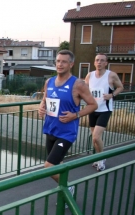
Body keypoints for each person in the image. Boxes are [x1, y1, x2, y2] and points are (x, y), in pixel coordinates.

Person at [38, 50, 97, 198]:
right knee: (59, 166)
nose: (60, 64)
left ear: (71, 64)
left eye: (64, 61)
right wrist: (41, 106)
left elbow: (93, 105)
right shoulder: (49, 82)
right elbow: (45, 98)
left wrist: (75, 115)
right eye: (58, 61)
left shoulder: (78, 84)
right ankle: (64, 192)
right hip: (50, 129)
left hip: (66, 133)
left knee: (48, 167)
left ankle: (68, 188)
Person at [85, 53, 124, 171]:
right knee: (94, 137)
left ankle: (101, 158)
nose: (99, 62)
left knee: (96, 137)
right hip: (93, 109)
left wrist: (112, 95)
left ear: (106, 63)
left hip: (105, 110)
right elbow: (85, 90)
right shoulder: (89, 75)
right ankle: (98, 157)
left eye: (102, 60)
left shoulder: (111, 75)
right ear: (94, 62)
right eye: (97, 60)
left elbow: (120, 87)